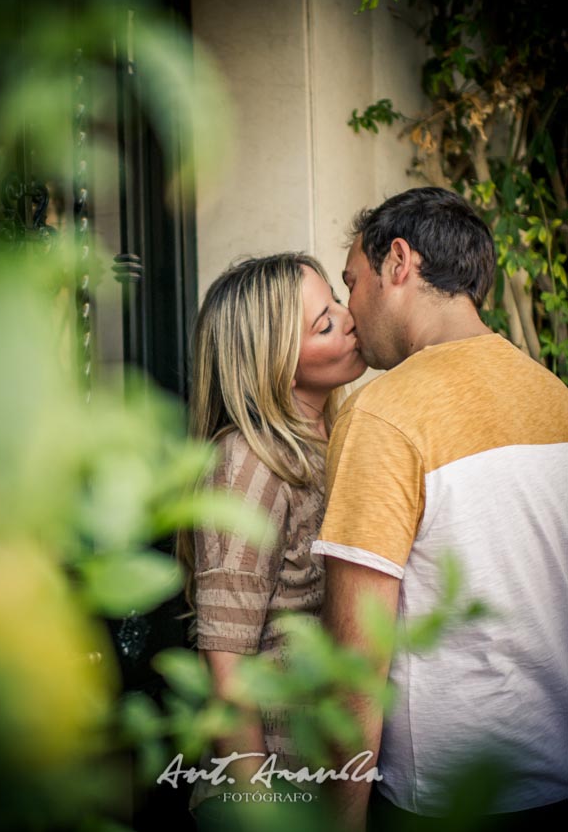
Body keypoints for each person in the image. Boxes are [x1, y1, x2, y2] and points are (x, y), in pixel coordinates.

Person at [311, 187, 568, 831]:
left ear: (399, 263)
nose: (349, 309)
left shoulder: (383, 414)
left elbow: (357, 663)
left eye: (352, 283)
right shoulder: (554, 396)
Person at [177, 252, 367, 829]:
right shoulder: (248, 462)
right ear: (281, 367)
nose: (350, 315)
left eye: (336, 298)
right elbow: (228, 672)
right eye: (325, 323)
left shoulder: (337, 437)